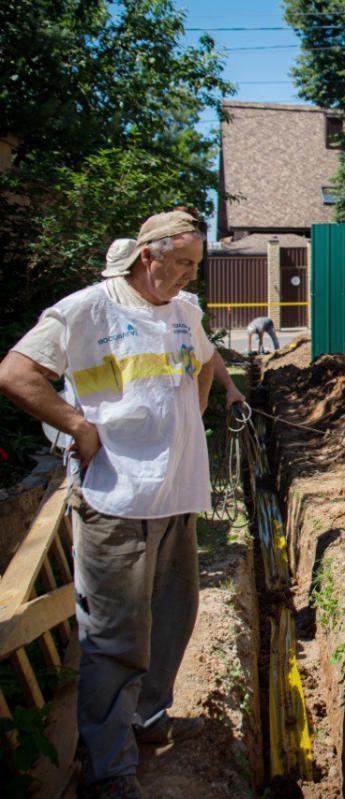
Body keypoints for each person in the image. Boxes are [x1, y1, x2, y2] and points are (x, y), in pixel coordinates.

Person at [0, 210, 245, 799]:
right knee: (114, 637)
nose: (189, 276)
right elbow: (15, 373)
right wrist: (76, 427)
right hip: (117, 498)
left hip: (176, 495)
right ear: (147, 256)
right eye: (182, 264)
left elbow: (206, 361)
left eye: (195, 266)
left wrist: (225, 392)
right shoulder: (87, 310)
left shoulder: (185, 312)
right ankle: (109, 770)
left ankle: (150, 720)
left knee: (172, 618)